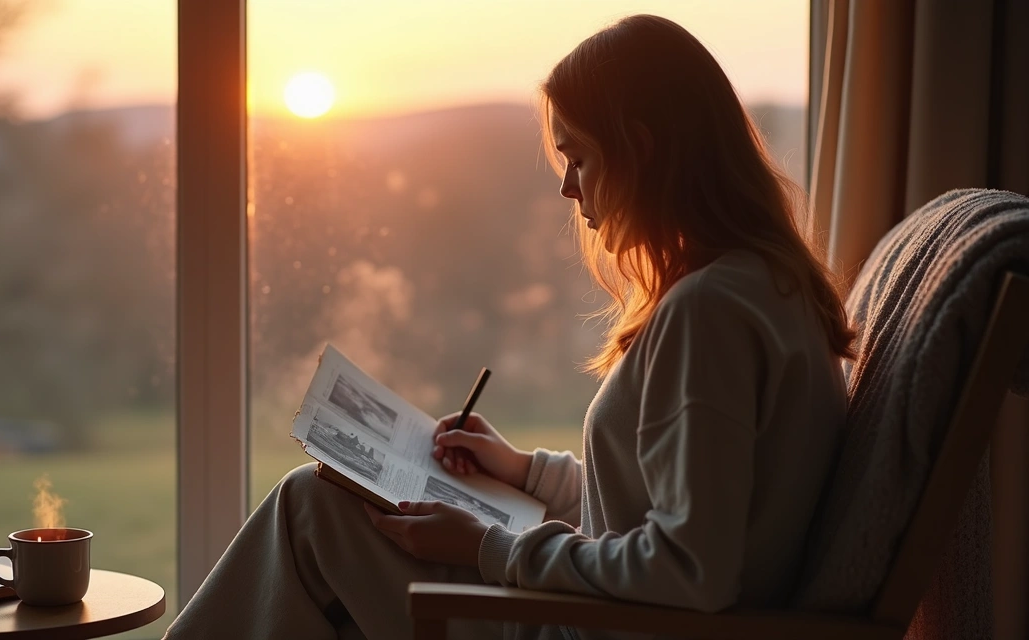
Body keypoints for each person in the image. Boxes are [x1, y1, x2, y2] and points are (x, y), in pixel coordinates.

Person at [163, 14, 853, 640]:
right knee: (326, 516)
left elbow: (686, 572)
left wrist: (486, 548)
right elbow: (667, 503)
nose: (569, 187)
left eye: (578, 156)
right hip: (594, 612)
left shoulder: (709, 316)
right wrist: (524, 473)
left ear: (639, 152)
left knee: (312, 506)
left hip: (581, 628)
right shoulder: (763, 288)